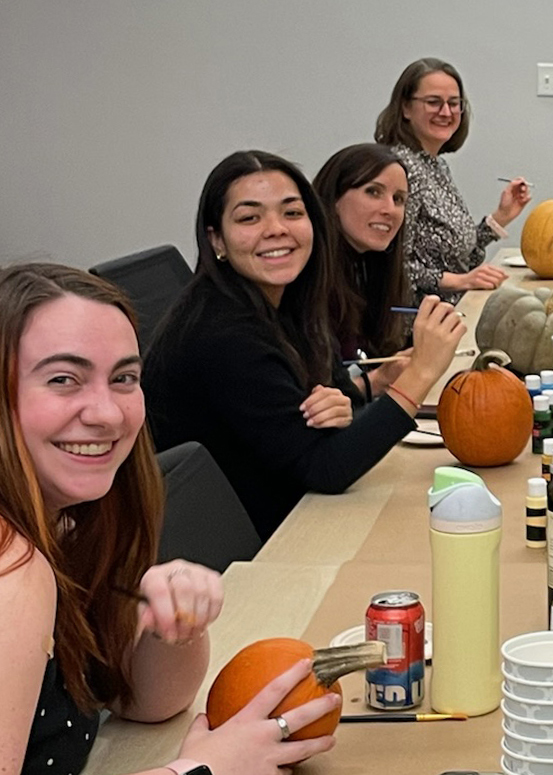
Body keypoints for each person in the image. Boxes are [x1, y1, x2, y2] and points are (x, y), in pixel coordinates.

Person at [0, 263, 339, 775]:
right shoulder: (12, 569)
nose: (106, 412)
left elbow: (146, 702)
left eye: (124, 378)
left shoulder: (69, 519)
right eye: (63, 379)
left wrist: (169, 627)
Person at [145, 150, 465, 541]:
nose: (276, 229)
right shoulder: (222, 334)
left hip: (284, 507)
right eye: (250, 218)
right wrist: (421, 373)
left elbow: (335, 394)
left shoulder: (289, 301)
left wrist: (342, 402)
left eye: (292, 213)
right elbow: (326, 468)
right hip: (245, 544)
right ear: (217, 240)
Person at [373, 57, 532, 301]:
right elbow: (391, 264)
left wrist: (500, 217)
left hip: (450, 310)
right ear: (405, 108)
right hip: (416, 318)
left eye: (454, 103)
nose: (446, 112)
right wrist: (460, 281)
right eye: (433, 102)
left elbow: (460, 260)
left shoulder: (437, 166)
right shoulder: (400, 169)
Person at [312, 142, 414, 402]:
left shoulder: (368, 267)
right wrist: (377, 381)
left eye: (398, 199)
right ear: (334, 199)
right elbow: (310, 403)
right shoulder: (308, 279)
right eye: (373, 192)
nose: (389, 210)